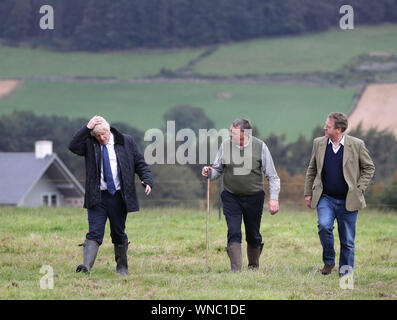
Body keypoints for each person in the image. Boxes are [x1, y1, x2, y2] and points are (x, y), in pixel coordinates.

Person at [69, 115, 153, 275]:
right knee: (94, 232)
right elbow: (73, 146)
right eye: (98, 136)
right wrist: (87, 128)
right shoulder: (89, 143)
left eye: (104, 134)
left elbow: (140, 163)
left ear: (109, 130)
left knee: (118, 232)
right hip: (97, 197)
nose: (101, 138)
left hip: (119, 197)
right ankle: (85, 267)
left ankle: (122, 268)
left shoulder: (126, 142)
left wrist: (147, 179)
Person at [202, 118, 280, 272]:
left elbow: (273, 176)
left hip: (254, 197)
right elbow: (218, 169)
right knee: (234, 231)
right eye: (230, 131)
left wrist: (274, 199)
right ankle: (235, 270)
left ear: (244, 133)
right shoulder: (225, 145)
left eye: (233, 132)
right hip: (231, 196)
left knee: (253, 234)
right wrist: (209, 172)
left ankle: (253, 266)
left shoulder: (260, 147)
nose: (230, 134)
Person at [304, 112, 375, 276]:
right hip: (325, 198)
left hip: (348, 200)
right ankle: (329, 262)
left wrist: (359, 188)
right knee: (323, 226)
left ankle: (346, 274)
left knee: (348, 241)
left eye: (328, 126)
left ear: (339, 129)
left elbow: (369, 168)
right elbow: (312, 169)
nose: (324, 128)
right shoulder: (319, 143)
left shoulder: (357, 145)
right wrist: (308, 193)